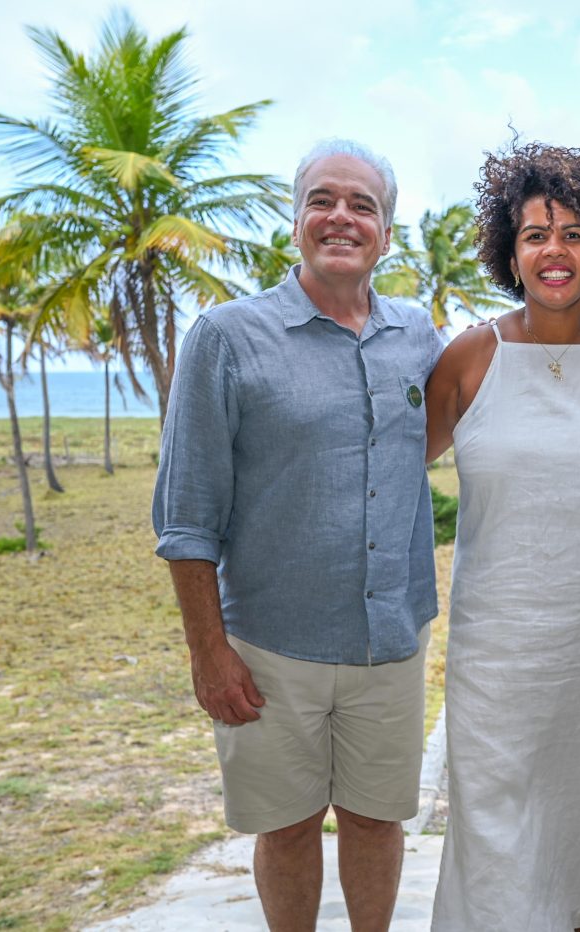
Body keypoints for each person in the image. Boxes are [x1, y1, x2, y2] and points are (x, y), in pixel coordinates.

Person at [152, 138, 443, 932]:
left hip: (391, 640)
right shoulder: (225, 337)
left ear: (387, 229)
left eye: (363, 205)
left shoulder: (420, 338)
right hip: (271, 648)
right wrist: (209, 652)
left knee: (378, 821)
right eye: (323, 199)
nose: (342, 218)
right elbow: (185, 516)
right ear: (296, 219)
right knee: (284, 828)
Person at [424, 142, 580, 932]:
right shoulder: (469, 358)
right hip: (500, 658)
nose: (553, 251)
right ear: (510, 249)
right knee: (502, 845)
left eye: (572, 233)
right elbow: (387, 468)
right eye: (535, 233)